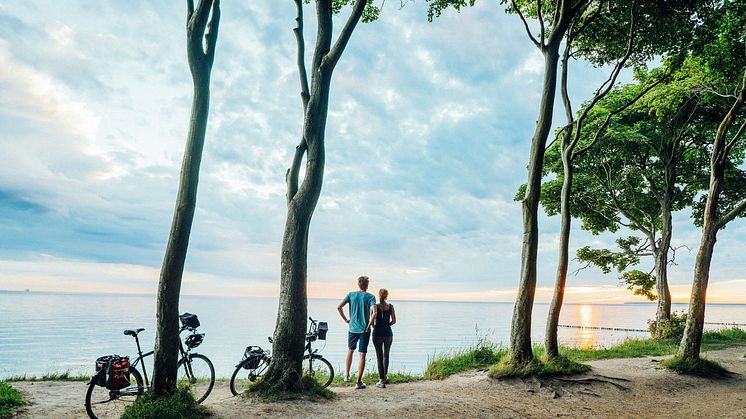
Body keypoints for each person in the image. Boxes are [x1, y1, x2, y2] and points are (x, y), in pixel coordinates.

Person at [337, 275, 377, 389]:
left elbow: (339, 307)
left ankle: (347, 375)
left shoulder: (351, 295)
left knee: (350, 350)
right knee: (362, 354)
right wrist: (369, 325)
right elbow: (375, 313)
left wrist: (346, 320)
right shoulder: (371, 297)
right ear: (367, 285)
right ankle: (358, 382)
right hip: (365, 329)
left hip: (352, 328)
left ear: (358, 284)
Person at [366, 288, 396, 388]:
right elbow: (394, 321)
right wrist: (386, 325)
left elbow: (372, 321)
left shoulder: (374, 307)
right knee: (386, 355)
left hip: (377, 334)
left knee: (379, 357)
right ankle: (385, 377)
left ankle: (381, 380)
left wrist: (375, 326)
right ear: (386, 296)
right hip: (388, 334)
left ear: (379, 295)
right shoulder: (391, 306)